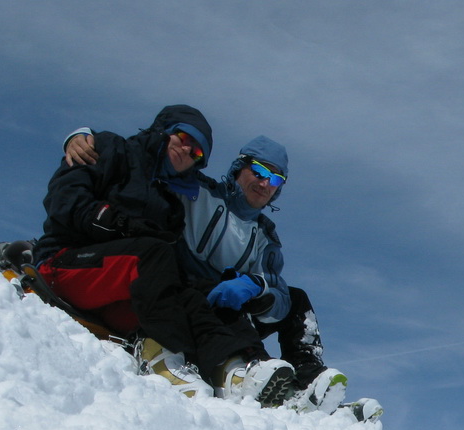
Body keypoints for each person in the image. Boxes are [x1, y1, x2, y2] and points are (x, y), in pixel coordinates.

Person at [64, 130, 348, 413]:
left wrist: (256, 287)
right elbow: (149, 163)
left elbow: (279, 293)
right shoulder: (196, 192)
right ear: (239, 167)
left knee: (297, 299)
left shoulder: (265, 236)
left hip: (226, 308)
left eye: (276, 180)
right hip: (179, 293)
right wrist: (84, 137)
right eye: (260, 171)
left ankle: (310, 380)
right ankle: (247, 373)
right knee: (209, 298)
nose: (265, 183)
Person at [34, 105, 295, 405]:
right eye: (183, 138)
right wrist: (117, 222)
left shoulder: (171, 200)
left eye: (197, 152)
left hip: (120, 284)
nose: (187, 150)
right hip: (65, 264)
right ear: (163, 131)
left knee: (200, 293)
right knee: (156, 255)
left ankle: (238, 369)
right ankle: (164, 354)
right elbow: (64, 201)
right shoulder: (111, 150)